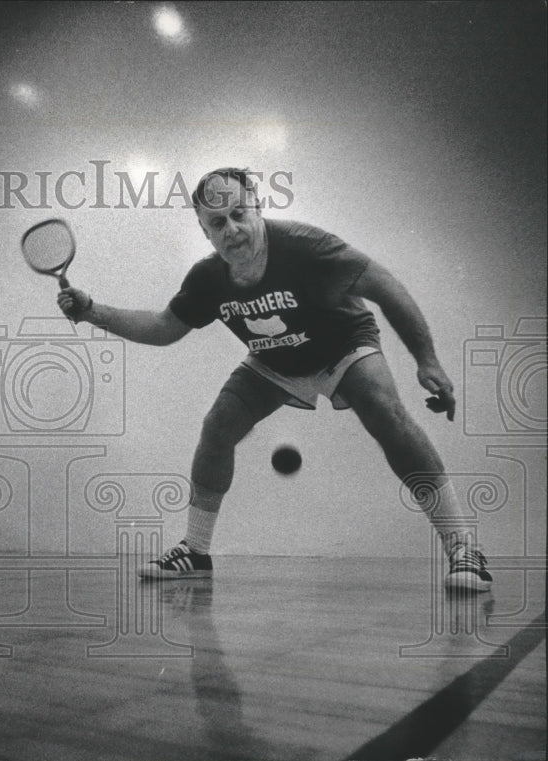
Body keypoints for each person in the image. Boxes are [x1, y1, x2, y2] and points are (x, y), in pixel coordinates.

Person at [56, 167, 492, 592]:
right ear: (205, 231)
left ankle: (463, 547)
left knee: (386, 412)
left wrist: (428, 360)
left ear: (258, 208)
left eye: (239, 214)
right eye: (217, 223)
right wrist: (92, 310)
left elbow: (386, 286)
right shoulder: (208, 278)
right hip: (274, 360)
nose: (232, 229)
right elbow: (163, 327)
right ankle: (196, 551)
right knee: (217, 427)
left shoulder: (307, 247)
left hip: (344, 344)